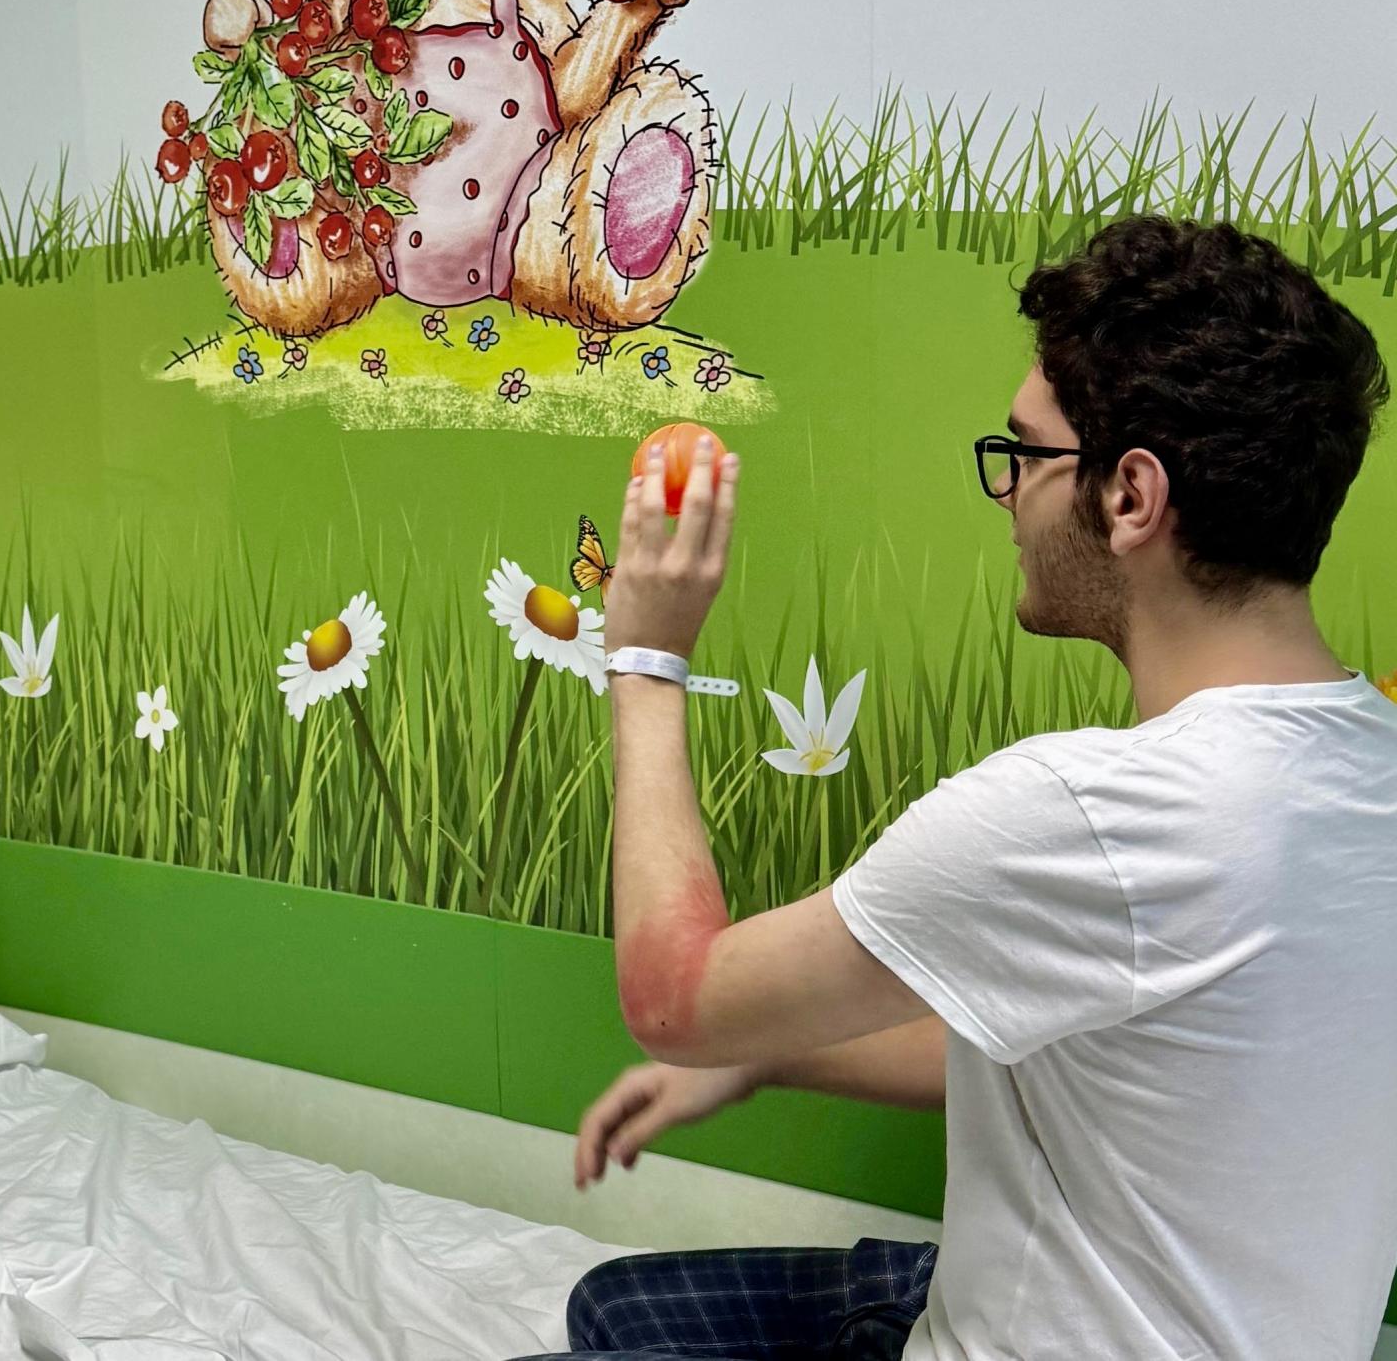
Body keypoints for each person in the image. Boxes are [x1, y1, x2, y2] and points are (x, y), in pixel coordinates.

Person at [511, 216, 1397, 1361]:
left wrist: (644, 658)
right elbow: (1097, 1039)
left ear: (1132, 495)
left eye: (1023, 453)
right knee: (617, 1307)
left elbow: (674, 998)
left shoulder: (1092, 811)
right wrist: (770, 1052)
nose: (1006, 492)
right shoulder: (1367, 764)